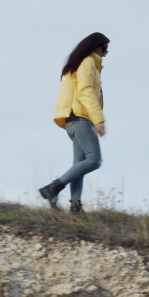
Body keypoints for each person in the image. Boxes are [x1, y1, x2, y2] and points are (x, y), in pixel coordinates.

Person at [39, 32, 110, 214]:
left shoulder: (79, 64)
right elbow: (85, 92)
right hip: (80, 118)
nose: (105, 54)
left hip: (72, 120)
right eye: (104, 48)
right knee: (94, 160)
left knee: (80, 163)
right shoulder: (87, 63)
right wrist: (98, 119)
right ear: (96, 45)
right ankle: (54, 187)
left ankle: (76, 205)